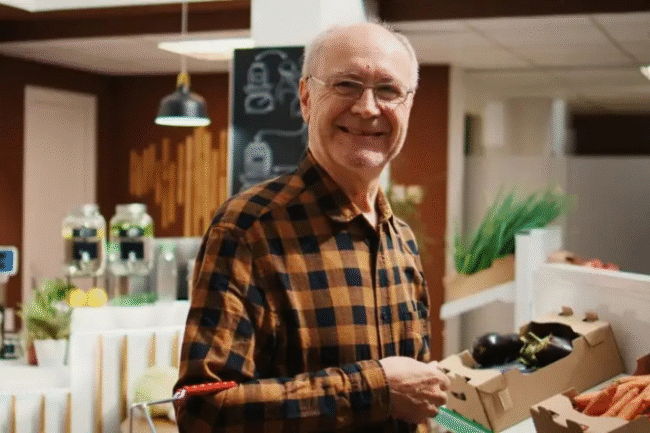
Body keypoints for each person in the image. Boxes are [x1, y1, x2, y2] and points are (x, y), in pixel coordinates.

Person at [174, 21, 450, 433]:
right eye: (346, 85)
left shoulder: (401, 240)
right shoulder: (248, 228)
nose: (368, 107)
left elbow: (412, 402)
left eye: (388, 90)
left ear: (407, 105)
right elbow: (203, 410)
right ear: (306, 98)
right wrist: (374, 389)